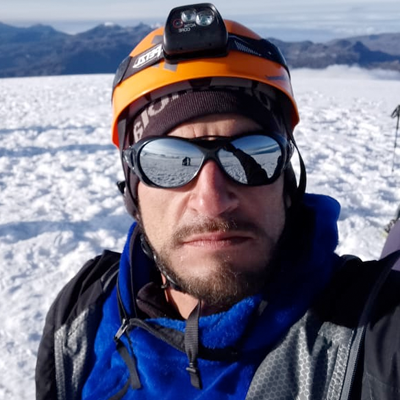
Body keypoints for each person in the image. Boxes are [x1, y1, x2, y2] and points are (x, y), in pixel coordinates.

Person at [35, 3, 400, 400]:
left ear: (287, 181)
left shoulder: (373, 333)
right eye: (168, 162)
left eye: (252, 156)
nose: (212, 201)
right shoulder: (82, 316)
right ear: (133, 189)